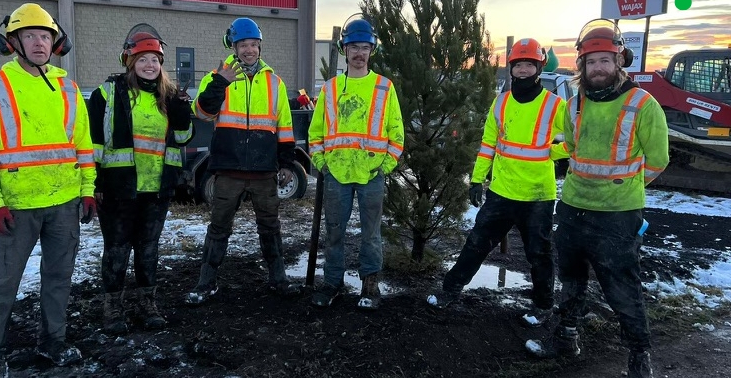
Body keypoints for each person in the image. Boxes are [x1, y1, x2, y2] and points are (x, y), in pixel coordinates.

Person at [525, 19, 669, 378]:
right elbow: (572, 149)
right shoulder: (575, 105)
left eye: (605, 60)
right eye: (591, 62)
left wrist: (626, 188)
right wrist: (539, 153)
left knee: (622, 288)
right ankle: (565, 338)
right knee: (571, 281)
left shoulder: (642, 104)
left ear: (619, 60)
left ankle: (639, 356)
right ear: (582, 66)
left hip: (618, 216)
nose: (598, 68)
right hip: (574, 208)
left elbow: (658, 160)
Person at [0, 3, 96, 376]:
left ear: (56, 43)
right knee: (3, 283)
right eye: (30, 36)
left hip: (63, 203)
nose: (39, 43)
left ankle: (52, 342)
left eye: (46, 36)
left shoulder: (68, 88)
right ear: (13, 42)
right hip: (16, 207)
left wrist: (87, 190)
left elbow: (83, 147)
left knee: (59, 278)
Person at [426, 38, 568, 327]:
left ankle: (543, 306)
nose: (524, 70)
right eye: (519, 65)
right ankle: (449, 291)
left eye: (530, 64)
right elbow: (488, 142)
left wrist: (550, 151)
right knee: (476, 243)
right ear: (511, 69)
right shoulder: (500, 102)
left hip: (538, 196)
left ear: (539, 68)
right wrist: (477, 179)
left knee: (539, 254)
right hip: (502, 192)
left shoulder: (555, 105)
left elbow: (576, 141)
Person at [87, 24, 194, 334]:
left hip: (156, 190)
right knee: (117, 250)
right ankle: (113, 308)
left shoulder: (169, 96)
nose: (150, 65)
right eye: (143, 59)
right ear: (130, 62)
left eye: (156, 60)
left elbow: (183, 138)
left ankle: (148, 303)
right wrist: (93, 184)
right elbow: (93, 142)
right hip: (119, 191)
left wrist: (182, 112)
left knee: (148, 250)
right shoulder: (108, 94)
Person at [186, 17, 300, 305]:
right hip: (229, 169)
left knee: (270, 226)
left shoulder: (274, 82)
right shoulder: (217, 76)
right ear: (233, 47)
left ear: (260, 46)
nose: (249, 50)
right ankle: (206, 282)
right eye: (243, 45)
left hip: (263, 170)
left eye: (253, 44)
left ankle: (278, 279)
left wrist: (285, 164)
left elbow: (284, 127)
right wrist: (219, 83)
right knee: (219, 226)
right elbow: (201, 112)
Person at [308, 17, 404, 310]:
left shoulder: (384, 88)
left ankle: (370, 285)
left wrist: (385, 167)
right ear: (344, 50)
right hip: (336, 174)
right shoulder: (331, 89)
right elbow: (316, 133)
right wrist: (322, 163)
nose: (359, 53)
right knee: (334, 231)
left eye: (365, 47)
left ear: (372, 50)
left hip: (372, 174)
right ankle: (333, 283)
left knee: (371, 234)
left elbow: (396, 133)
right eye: (354, 47)